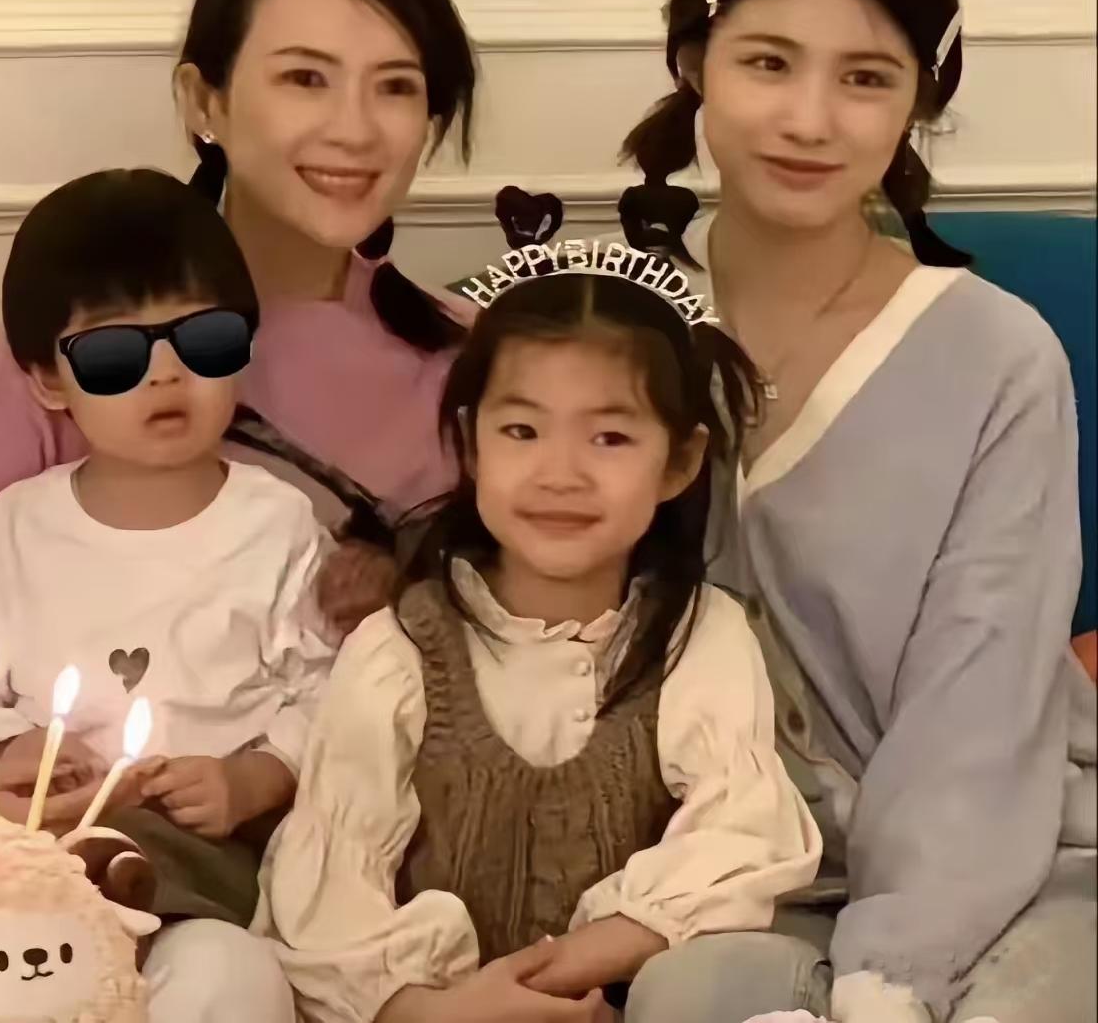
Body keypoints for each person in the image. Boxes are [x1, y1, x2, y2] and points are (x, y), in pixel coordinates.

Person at [618, 0, 1097, 1022]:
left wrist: (893, 973)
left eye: (866, 78)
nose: (810, 119)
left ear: (917, 99)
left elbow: (980, 711)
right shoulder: (606, 329)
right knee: (683, 1004)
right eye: (767, 62)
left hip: (1005, 869)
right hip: (734, 878)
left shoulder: (997, 356)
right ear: (692, 62)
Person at [257, 239, 825, 1023]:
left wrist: (565, 972)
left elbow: (741, 835)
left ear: (680, 461)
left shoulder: (699, 637)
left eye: (610, 438)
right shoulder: (399, 650)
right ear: (470, 442)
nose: (561, 474)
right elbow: (329, 893)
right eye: (522, 431)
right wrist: (439, 1010)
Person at [0, 0, 478, 637]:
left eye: (396, 87)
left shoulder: (474, 360)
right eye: (305, 78)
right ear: (203, 102)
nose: (355, 130)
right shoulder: (80, 341)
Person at [0, 168, 334, 1023]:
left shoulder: (279, 528)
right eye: (116, 354)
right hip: (32, 872)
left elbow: (333, 689)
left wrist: (255, 777)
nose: (166, 374)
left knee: (235, 976)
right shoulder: (8, 534)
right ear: (48, 381)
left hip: (200, 874)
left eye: (205, 340)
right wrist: (4, 748)